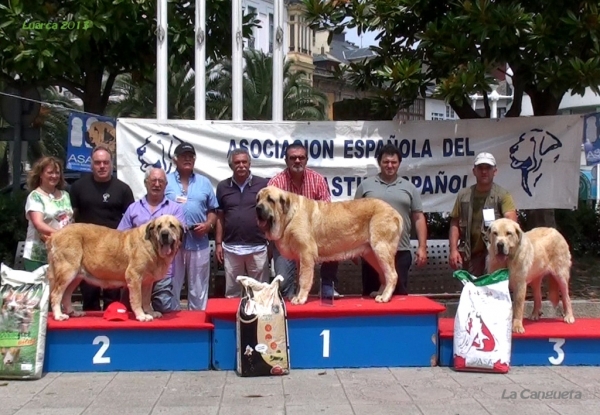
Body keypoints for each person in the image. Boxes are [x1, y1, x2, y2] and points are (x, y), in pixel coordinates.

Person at [268, 143, 340, 299]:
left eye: (301, 157)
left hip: (313, 239)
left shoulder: (318, 180)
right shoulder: (275, 184)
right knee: (284, 283)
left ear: (307, 160)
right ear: (286, 161)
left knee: (336, 243)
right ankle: (289, 314)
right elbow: (271, 216)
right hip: (286, 241)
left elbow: (326, 212)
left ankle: (327, 287)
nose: (297, 161)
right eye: (293, 158)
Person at [354, 144, 428, 297]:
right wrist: (354, 248)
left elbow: (418, 217)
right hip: (371, 252)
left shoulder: (409, 187)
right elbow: (355, 218)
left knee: (399, 297)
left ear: (399, 163)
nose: (390, 166)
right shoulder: (366, 186)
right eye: (386, 162)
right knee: (370, 298)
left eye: (393, 162)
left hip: (400, 250)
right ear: (379, 162)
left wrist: (422, 247)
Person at [69, 145, 135, 311]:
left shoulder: (123, 189)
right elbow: (70, 218)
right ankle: (88, 332)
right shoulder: (77, 187)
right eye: (98, 162)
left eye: (105, 162)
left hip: (114, 252)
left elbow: (131, 221)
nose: (102, 166)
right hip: (88, 251)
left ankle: (114, 332)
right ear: (91, 164)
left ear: (111, 164)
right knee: (89, 297)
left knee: (112, 300)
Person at [117, 167, 186, 312]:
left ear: (166, 185)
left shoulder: (175, 209)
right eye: (153, 180)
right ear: (146, 183)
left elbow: (179, 237)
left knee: (164, 310)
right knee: (128, 312)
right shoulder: (133, 208)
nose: (157, 184)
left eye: (161, 181)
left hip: (163, 273)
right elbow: (120, 238)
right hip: (136, 272)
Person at [165, 142, 218, 311]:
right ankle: (172, 322)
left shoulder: (204, 182)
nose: (187, 159)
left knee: (198, 288)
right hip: (172, 244)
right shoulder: (165, 181)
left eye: (190, 156)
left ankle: (198, 322)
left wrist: (208, 224)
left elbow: (213, 210)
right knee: (172, 284)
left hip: (198, 242)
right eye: (183, 156)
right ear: (175, 159)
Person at [449, 152, 518, 276]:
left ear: (495, 171)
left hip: (495, 255)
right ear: (474, 171)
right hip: (470, 255)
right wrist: (453, 250)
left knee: (494, 291)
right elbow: (455, 223)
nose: (484, 171)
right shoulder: (463, 195)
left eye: (488, 168)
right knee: (471, 291)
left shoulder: (503, 195)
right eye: (480, 168)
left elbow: (511, 223)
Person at [215, 148, 270, 298]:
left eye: (244, 162)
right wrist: (218, 243)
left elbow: (271, 214)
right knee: (233, 293)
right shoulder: (222, 187)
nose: (241, 165)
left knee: (260, 293)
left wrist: (269, 238)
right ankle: (233, 321)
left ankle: (260, 321)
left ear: (250, 164)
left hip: (257, 247)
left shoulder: (263, 184)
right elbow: (220, 216)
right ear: (231, 165)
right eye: (237, 162)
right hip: (232, 248)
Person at [23, 157, 74, 271]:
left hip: (61, 253)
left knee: (58, 289)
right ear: (41, 174)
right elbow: (38, 224)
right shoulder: (35, 196)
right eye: (50, 172)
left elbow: (69, 219)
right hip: (38, 255)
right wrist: (62, 235)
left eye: (57, 172)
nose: (54, 176)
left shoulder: (65, 195)